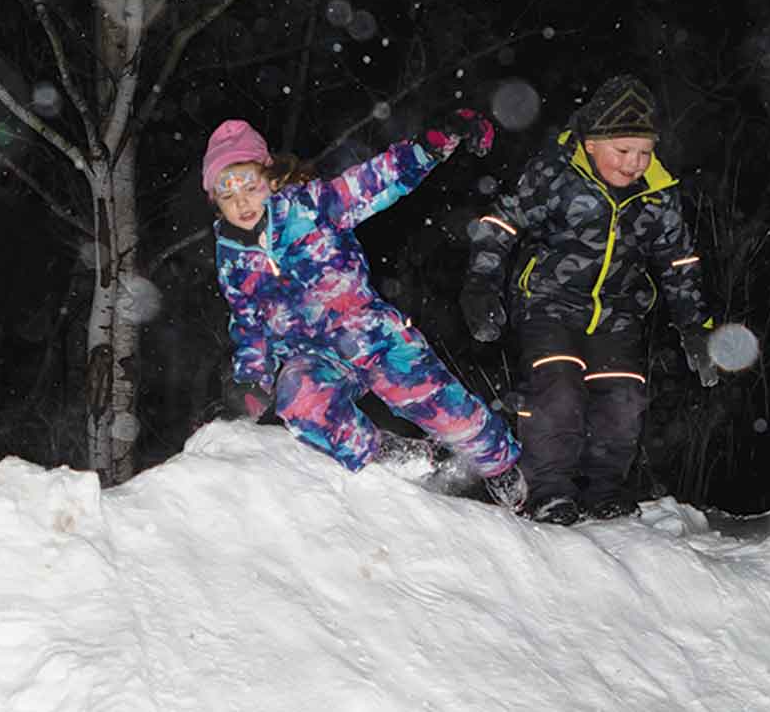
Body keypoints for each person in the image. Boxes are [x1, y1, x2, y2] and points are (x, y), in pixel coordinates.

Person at [202, 111, 527, 511]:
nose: (242, 202)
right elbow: (247, 321)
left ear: (268, 179)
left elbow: (376, 180)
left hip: (370, 333)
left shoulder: (312, 206)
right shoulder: (231, 258)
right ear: (216, 203)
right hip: (310, 354)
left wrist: (432, 144)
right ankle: (389, 454)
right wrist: (251, 379)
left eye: (249, 187)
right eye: (228, 195)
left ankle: (498, 463)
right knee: (299, 399)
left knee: (442, 404)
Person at [459, 75, 718, 526]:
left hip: (618, 312)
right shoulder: (557, 173)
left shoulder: (657, 194)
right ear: (593, 143)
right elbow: (502, 221)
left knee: (622, 398)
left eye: (644, 151)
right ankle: (547, 489)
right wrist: (481, 284)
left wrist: (695, 326)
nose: (635, 163)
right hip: (548, 303)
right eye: (623, 151)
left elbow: (678, 261)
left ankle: (604, 489)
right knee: (557, 391)